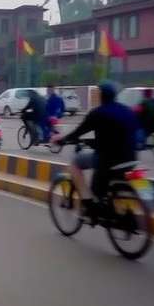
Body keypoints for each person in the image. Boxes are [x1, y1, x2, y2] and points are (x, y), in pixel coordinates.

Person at [55, 81, 138, 218]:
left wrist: (61, 141)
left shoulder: (98, 113)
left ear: (100, 95)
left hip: (107, 160)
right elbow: (118, 136)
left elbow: (78, 132)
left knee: (76, 162)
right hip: (131, 159)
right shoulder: (128, 111)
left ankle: (87, 202)